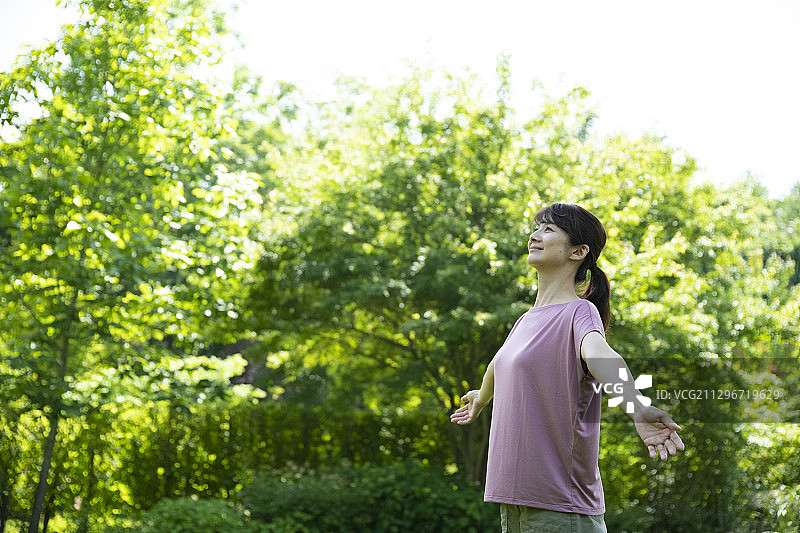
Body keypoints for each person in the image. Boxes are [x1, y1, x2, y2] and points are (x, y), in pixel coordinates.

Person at [450, 202, 685, 533]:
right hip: (515, 508)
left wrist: (637, 408)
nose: (535, 235)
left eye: (548, 229)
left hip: (561, 512)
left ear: (577, 251)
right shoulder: (525, 321)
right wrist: (483, 396)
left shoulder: (579, 313)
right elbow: (501, 362)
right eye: (535, 228)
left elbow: (602, 356)